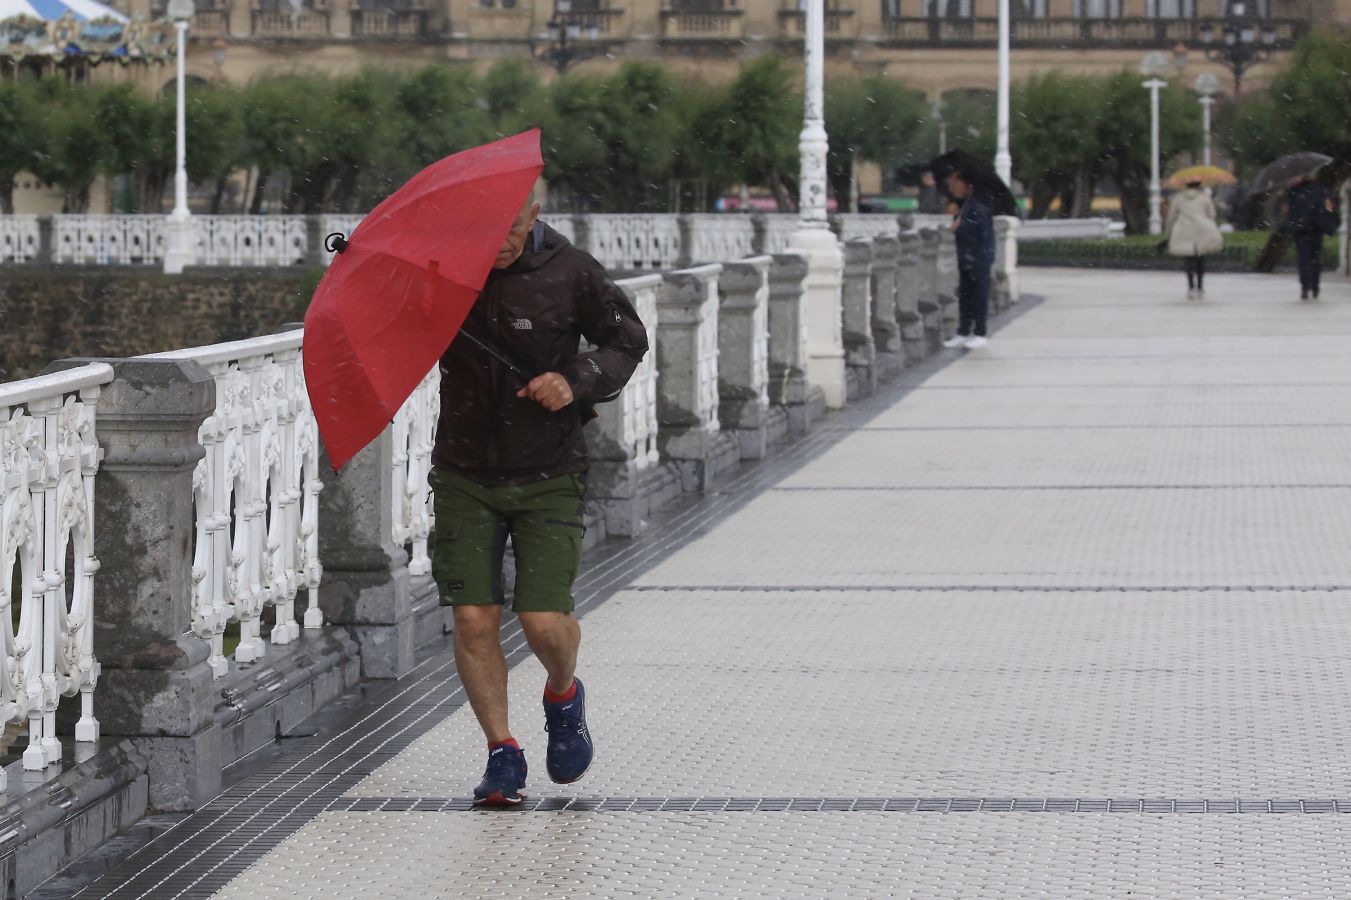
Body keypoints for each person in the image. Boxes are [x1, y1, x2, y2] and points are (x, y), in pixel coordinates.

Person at [431, 193, 649, 806]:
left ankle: (562, 691)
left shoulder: (572, 271)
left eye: (512, 224)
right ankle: (502, 753)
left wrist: (575, 378)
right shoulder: (446, 275)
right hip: (463, 468)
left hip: (549, 468)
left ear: (534, 213)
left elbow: (627, 340)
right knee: (473, 615)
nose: (498, 238)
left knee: (542, 619)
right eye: (485, 225)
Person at [941, 166, 996, 350]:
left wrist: (960, 224)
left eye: (953, 183)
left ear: (964, 182)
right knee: (965, 294)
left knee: (979, 294)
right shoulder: (968, 201)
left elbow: (978, 226)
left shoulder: (980, 199)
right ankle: (963, 331)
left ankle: (980, 332)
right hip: (966, 254)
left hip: (979, 255)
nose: (951, 187)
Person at [1163, 177, 1223, 300]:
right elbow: (1212, 214)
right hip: (1202, 229)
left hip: (1184, 229)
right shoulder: (1204, 198)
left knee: (1188, 260)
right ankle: (1200, 287)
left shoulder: (1179, 198)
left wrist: (1168, 233)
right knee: (1200, 259)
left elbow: (1171, 217)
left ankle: (1190, 288)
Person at [1282, 175, 1339, 300]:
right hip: (1316, 228)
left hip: (1300, 230)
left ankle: (1305, 286)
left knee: (1303, 258)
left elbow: (1286, 211)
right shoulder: (1319, 190)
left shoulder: (1293, 191)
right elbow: (1328, 207)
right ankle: (1315, 285)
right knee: (1315, 258)